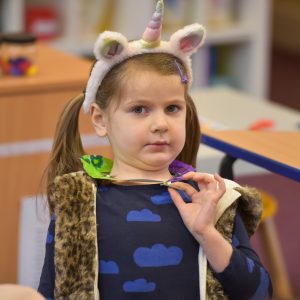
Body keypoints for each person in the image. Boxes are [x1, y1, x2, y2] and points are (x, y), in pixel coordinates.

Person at [38, 0, 272, 299]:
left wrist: (207, 233)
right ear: (100, 119)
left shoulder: (212, 198)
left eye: (172, 108)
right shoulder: (78, 201)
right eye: (139, 110)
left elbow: (260, 293)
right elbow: (51, 291)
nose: (161, 123)